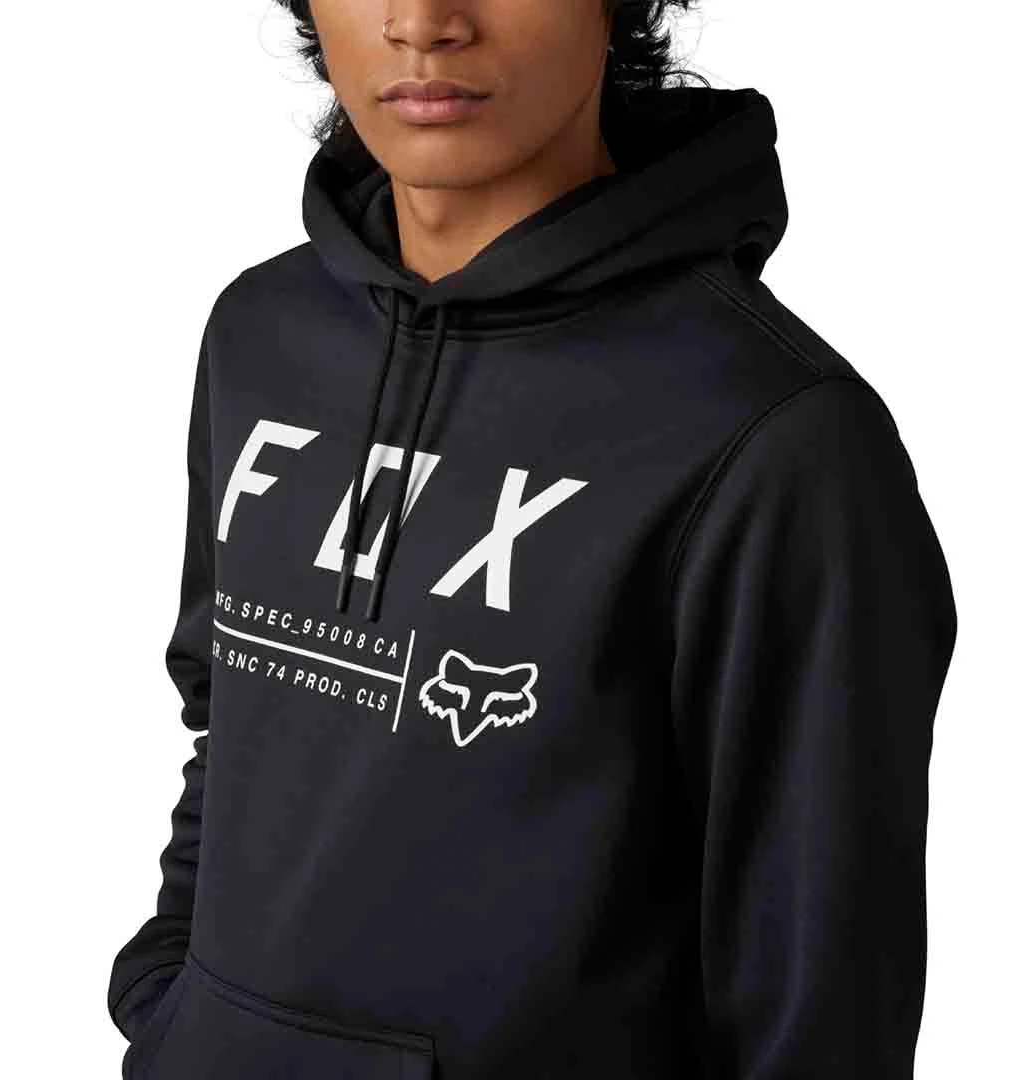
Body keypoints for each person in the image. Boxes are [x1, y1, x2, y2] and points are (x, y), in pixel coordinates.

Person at [106, 2, 959, 1077]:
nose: (422, 21)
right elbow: (227, 703)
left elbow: (819, 987)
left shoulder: (776, 437)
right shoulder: (261, 332)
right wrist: (175, 998)